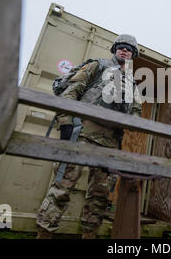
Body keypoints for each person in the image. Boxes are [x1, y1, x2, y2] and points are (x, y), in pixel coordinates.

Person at [36, 34, 142, 239]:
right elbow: (70, 93)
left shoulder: (131, 84)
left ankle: (89, 235)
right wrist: (66, 124)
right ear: (115, 49)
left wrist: (126, 117)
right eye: (121, 47)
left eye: (129, 49)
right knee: (61, 190)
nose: (124, 50)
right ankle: (43, 235)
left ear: (133, 55)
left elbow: (136, 115)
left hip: (109, 143)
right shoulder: (97, 66)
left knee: (99, 198)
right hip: (80, 134)